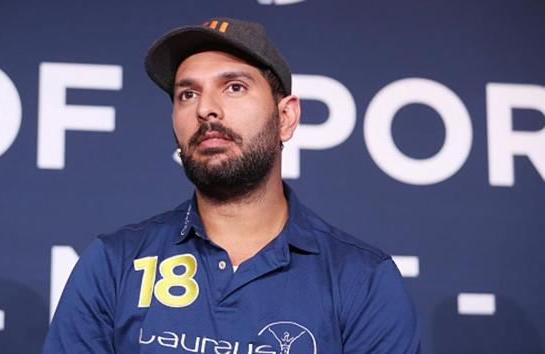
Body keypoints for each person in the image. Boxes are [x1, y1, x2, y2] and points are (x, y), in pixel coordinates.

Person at [42, 17, 420, 353]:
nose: (206, 109)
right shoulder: (112, 263)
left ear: (286, 117)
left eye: (234, 87)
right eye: (187, 94)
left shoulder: (363, 281)